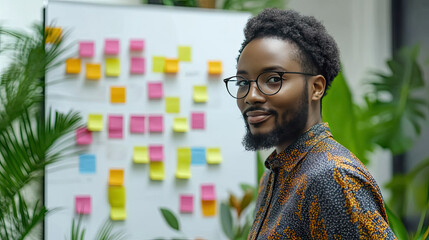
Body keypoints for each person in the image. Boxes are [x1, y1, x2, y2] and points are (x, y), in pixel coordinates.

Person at [223, 8, 397, 239]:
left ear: (316, 88)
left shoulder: (332, 176)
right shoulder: (276, 173)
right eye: (243, 82)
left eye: (273, 79)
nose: (251, 96)